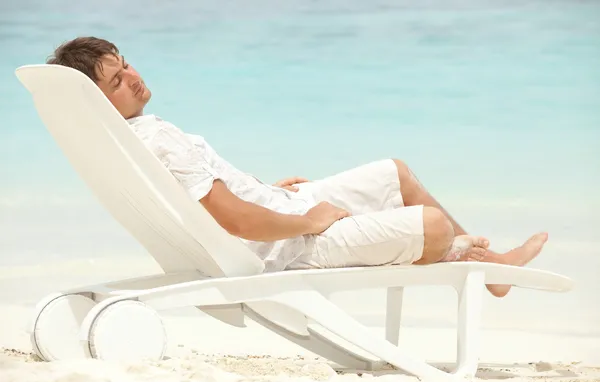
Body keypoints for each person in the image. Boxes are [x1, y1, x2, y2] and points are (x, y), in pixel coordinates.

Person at [46, 36, 548, 298]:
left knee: (395, 172)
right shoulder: (156, 140)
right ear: (97, 101)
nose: (132, 78)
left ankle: (493, 269)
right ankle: (469, 259)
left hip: (277, 211)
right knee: (433, 226)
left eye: (125, 63)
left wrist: (265, 188)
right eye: (116, 81)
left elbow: (214, 200)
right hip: (284, 246)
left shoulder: (134, 138)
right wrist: (310, 221)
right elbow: (236, 222)